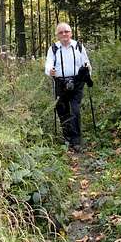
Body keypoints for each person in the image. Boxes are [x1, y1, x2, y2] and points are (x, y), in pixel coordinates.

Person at [44, 22, 91, 152]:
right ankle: (67, 138)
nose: (64, 34)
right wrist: (50, 71)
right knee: (62, 110)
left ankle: (76, 141)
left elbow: (86, 62)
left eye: (66, 31)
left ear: (71, 33)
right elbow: (48, 65)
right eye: (61, 32)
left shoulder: (79, 46)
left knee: (75, 110)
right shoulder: (53, 48)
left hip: (77, 82)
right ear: (57, 35)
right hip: (60, 82)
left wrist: (87, 73)